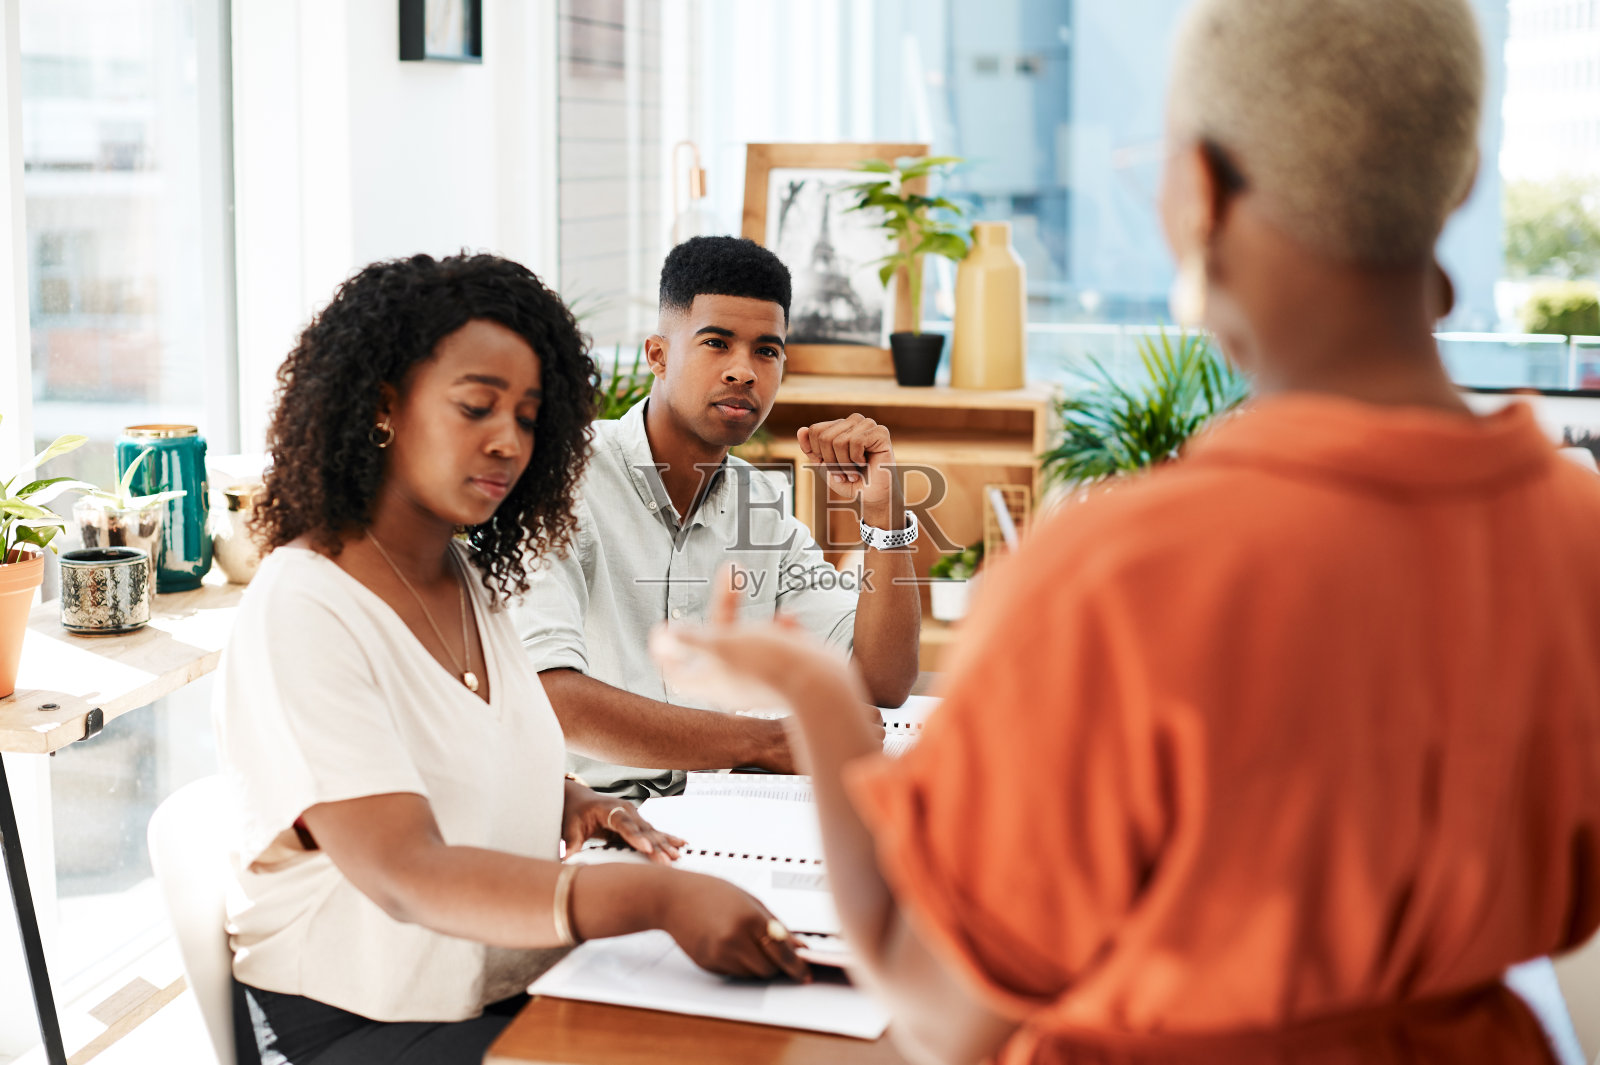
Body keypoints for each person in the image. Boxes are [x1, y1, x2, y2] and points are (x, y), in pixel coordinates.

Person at [650, 1, 1600, 1063]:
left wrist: (813, 699)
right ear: (1460, 180)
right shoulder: (1577, 531)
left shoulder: (1119, 577)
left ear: (1198, 192)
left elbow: (943, 1011)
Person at [215, 253, 808, 1065]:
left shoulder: (461, 574)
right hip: (360, 1019)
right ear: (384, 406)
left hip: (502, 977)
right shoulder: (304, 605)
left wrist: (566, 797)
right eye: (475, 408)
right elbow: (405, 869)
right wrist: (657, 894)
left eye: (529, 417)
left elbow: (452, 741)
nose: (506, 442)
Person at [517, 235, 922, 799]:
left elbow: (880, 680)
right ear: (657, 355)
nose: (744, 372)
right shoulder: (560, 481)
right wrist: (764, 742)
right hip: (586, 824)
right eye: (716, 343)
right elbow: (552, 700)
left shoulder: (764, 506)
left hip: (728, 810)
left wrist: (884, 517)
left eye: (766, 351)